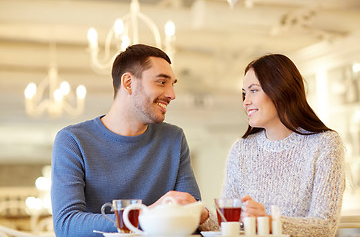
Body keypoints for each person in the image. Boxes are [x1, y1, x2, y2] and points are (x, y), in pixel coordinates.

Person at [51, 44, 209, 237]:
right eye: (161, 82)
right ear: (128, 83)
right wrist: (145, 215)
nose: (171, 94)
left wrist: (198, 213)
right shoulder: (73, 141)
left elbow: (190, 216)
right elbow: (67, 225)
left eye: (172, 84)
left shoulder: (174, 139)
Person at [221, 54, 346, 237]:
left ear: (280, 91)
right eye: (244, 93)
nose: (245, 101)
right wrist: (201, 214)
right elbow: (227, 222)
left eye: (253, 90)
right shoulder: (241, 150)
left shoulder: (325, 144)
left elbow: (325, 226)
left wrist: (267, 221)